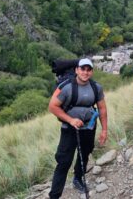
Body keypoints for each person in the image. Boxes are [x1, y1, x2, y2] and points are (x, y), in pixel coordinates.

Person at [48, 58, 108, 199]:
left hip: (89, 127)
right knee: (64, 161)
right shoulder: (66, 87)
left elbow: (102, 108)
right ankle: (54, 195)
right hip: (69, 129)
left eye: (88, 70)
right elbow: (52, 106)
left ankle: (78, 178)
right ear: (76, 70)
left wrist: (104, 130)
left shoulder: (96, 87)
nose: (85, 72)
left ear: (92, 71)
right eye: (82, 69)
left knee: (85, 154)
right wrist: (70, 120)